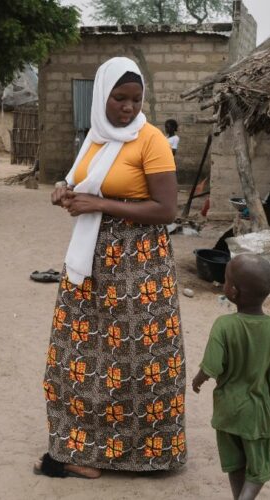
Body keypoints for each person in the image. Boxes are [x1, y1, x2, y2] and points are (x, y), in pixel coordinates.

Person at [36, 57, 185, 479]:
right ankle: (83, 450)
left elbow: (167, 209)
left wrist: (98, 204)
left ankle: (145, 453)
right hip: (89, 262)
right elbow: (80, 178)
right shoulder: (96, 139)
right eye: (119, 98)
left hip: (138, 268)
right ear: (102, 96)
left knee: (138, 360)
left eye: (135, 99)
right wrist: (64, 190)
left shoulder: (151, 140)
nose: (128, 107)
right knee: (75, 356)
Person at [192, 254, 270, 500]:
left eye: (225, 279)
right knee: (258, 472)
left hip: (227, 412)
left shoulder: (223, 325)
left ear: (232, 290)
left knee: (235, 464)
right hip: (257, 415)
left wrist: (198, 380)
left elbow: (210, 366)